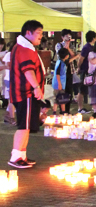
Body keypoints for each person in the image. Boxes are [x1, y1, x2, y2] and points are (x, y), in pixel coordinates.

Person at [8, 20, 45, 168]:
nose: (41, 36)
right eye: (38, 33)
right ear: (28, 33)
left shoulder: (24, 46)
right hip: (26, 93)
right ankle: (16, 157)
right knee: (24, 126)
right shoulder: (24, 48)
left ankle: (21, 155)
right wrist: (36, 87)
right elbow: (28, 70)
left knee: (27, 125)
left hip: (25, 93)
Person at [75, 31, 96, 114]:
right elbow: (81, 59)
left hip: (89, 71)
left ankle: (83, 107)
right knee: (82, 89)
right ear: (94, 38)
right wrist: (79, 67)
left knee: (85, 89)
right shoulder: (87, 47)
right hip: (85, 71)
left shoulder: (90, 47)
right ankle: (80, 108)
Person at [52, 48, 71, 114]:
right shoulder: (61, 63)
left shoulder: (60, 62)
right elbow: (58, 74)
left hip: (59, 83)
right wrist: (59, 84)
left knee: (60, 97)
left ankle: (62, 111)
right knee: (59, 97)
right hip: (59, 84)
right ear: (66, 56)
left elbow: (68, 61)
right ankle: (57, 111)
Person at [2, 42, 15, 125]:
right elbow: (8, 65)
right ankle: (11, 118)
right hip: (10, 79)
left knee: (12, 99)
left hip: (12, 79)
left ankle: (7, 117)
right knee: (12, 99)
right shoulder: (9, 54)